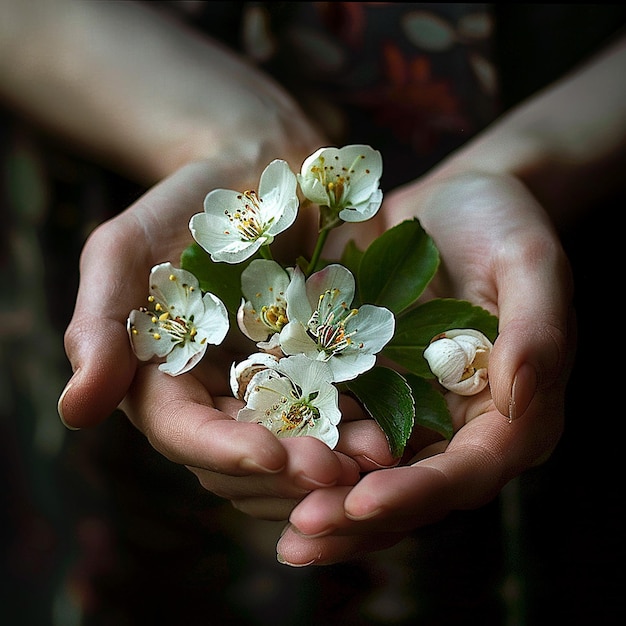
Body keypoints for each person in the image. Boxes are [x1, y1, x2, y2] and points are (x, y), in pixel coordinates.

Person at [1, 1, 625, 623]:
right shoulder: (248, 280)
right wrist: (222, 129)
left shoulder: (335, 304)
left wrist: (536, 160)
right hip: (104, 132)